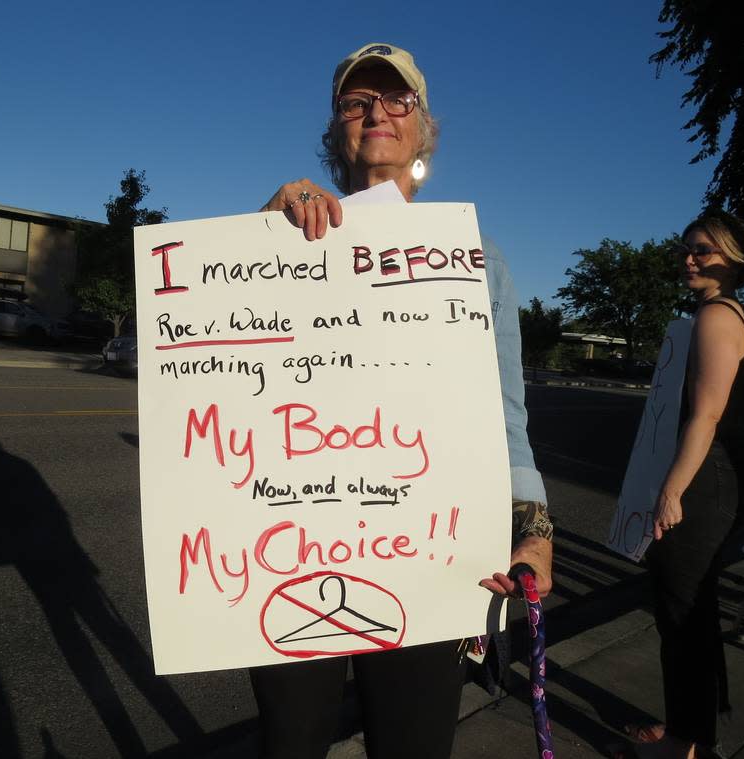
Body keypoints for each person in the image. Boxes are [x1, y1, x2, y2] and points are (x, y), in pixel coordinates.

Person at [251, 42, 553, 758]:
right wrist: (260, 235)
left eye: (397, 99)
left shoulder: (477, 256)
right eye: (355, 102)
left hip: (427, 555)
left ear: (422, 129)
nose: (376, 112)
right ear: (337, 131)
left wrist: (535, 525)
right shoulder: (284, 235)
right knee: (288, 743)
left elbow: (505, 412)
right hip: (292, 553)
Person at [616, 211, 744, 759]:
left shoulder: (717, 317)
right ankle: (690, 731)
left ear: (734, 261)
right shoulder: (719, 314)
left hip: (700, 481)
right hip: (707, 477)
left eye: (704, 251)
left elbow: (706, 416)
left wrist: (671, 491)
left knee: (682, 616)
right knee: (689, 614)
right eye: (686, 249)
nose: (690, 259)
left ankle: (682, 744)